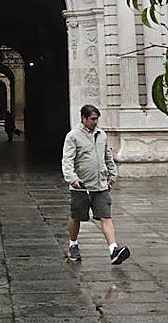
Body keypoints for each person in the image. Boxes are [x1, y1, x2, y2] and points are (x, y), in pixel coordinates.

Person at [61, 104, 130, 265]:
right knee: (76, 217)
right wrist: (72, 178)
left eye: (97, 119)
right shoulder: (73, 136)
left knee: (105, 216)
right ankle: (73, 244)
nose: (95, 122)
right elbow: (67, 160)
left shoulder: (102, 135)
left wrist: (112, 174)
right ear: (83, 118)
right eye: (92, 119)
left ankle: (113, 249)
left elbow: (108, 156)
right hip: (81, 186)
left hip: (101, 185)